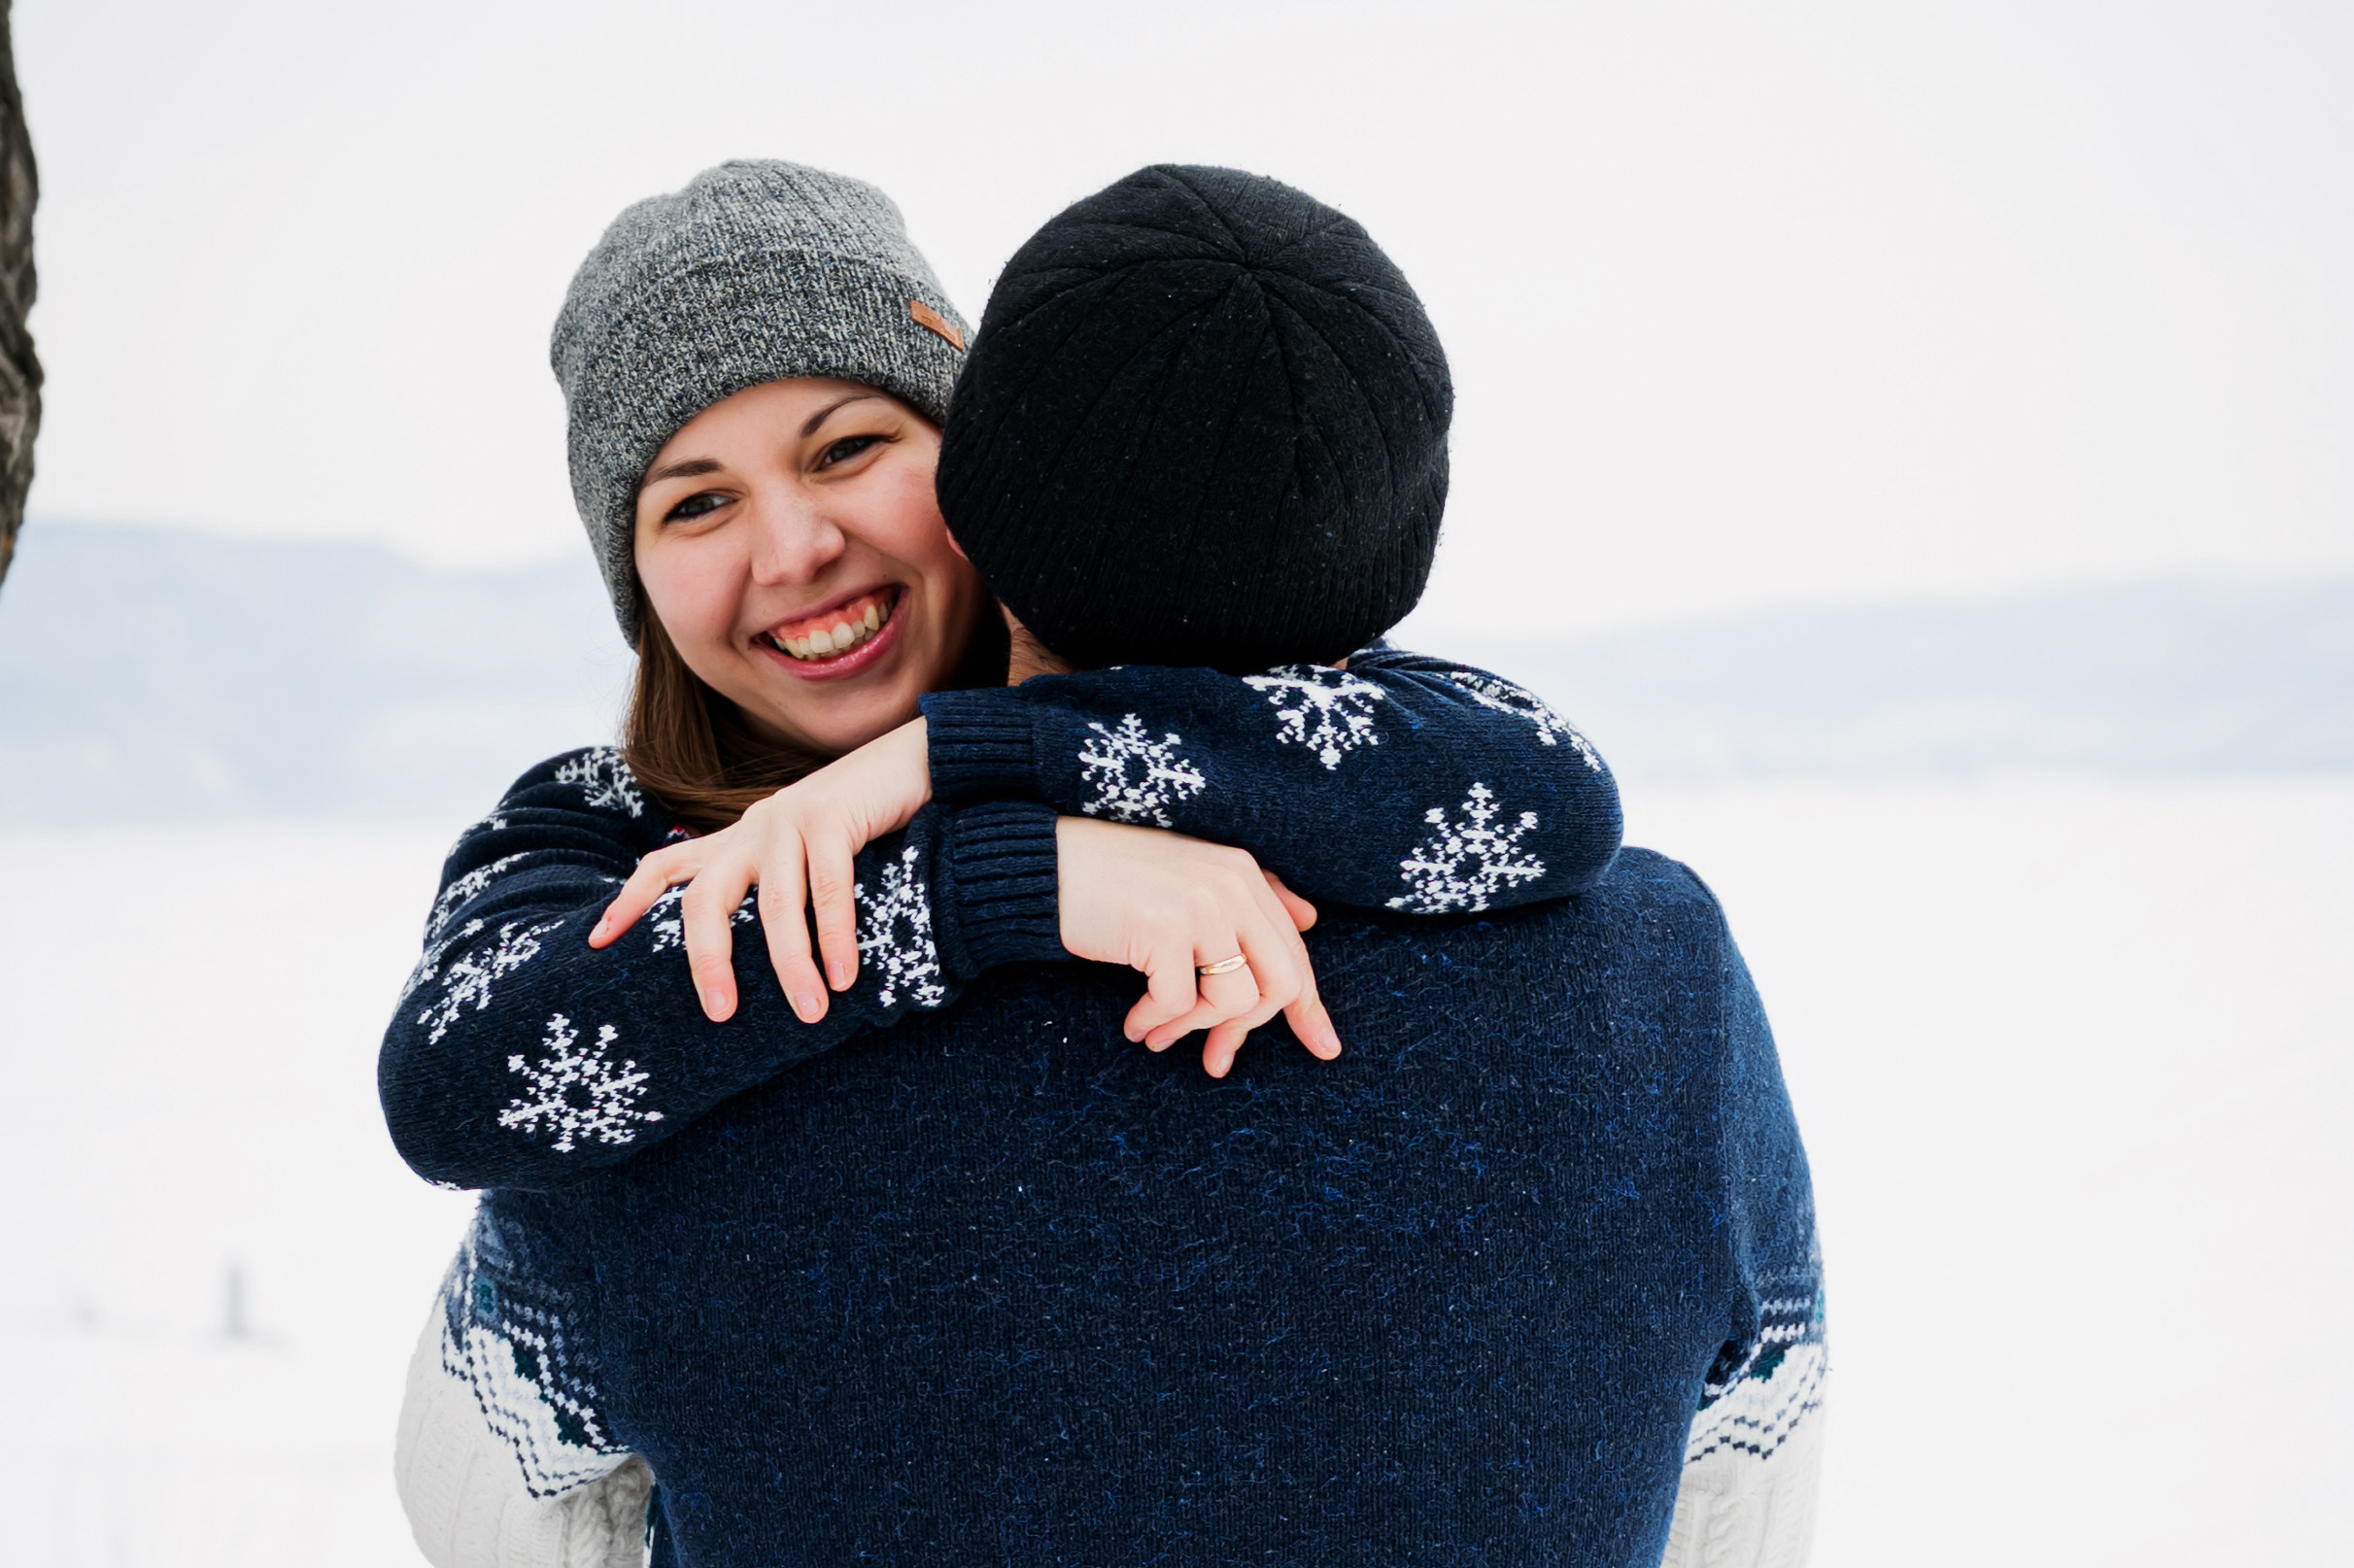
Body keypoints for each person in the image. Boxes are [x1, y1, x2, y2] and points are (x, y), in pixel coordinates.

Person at [384, 161, 1638, 1564]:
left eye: (846, 446)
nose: (795, 549)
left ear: (974, 461)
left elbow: (1543, 784)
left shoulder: (1218, 718)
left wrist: (958, 752)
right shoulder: (597, 821)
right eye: (695, 504)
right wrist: (995, 882)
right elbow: (455, 1078)